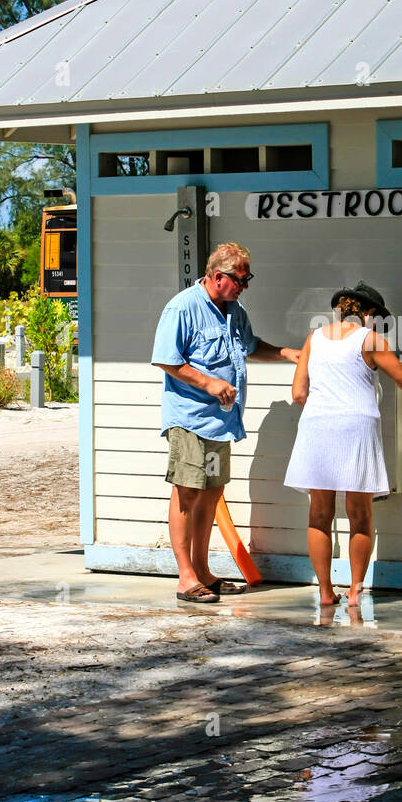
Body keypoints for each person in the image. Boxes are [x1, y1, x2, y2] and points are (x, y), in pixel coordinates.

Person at [151, 242, 300, 604]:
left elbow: (250, 346)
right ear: (218, 277)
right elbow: (167, 360)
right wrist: (210, 382)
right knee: (187, 493)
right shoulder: (182, 307)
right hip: (190, 420)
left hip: (221, 423)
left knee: (211, 493)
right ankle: (186, 578)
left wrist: (286, 354)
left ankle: (203, 571)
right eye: (240, 279)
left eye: (248, 279)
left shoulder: (235, 310)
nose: (245, 286)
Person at [284, 281, 402, 612]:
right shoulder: (371, 339)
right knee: (360, 514)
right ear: (368, 313)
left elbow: (298, 394)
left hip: (317, 427)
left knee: (319, 514)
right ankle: (354, 591)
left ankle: (324, 591)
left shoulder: (314, 339)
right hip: (356, 427)